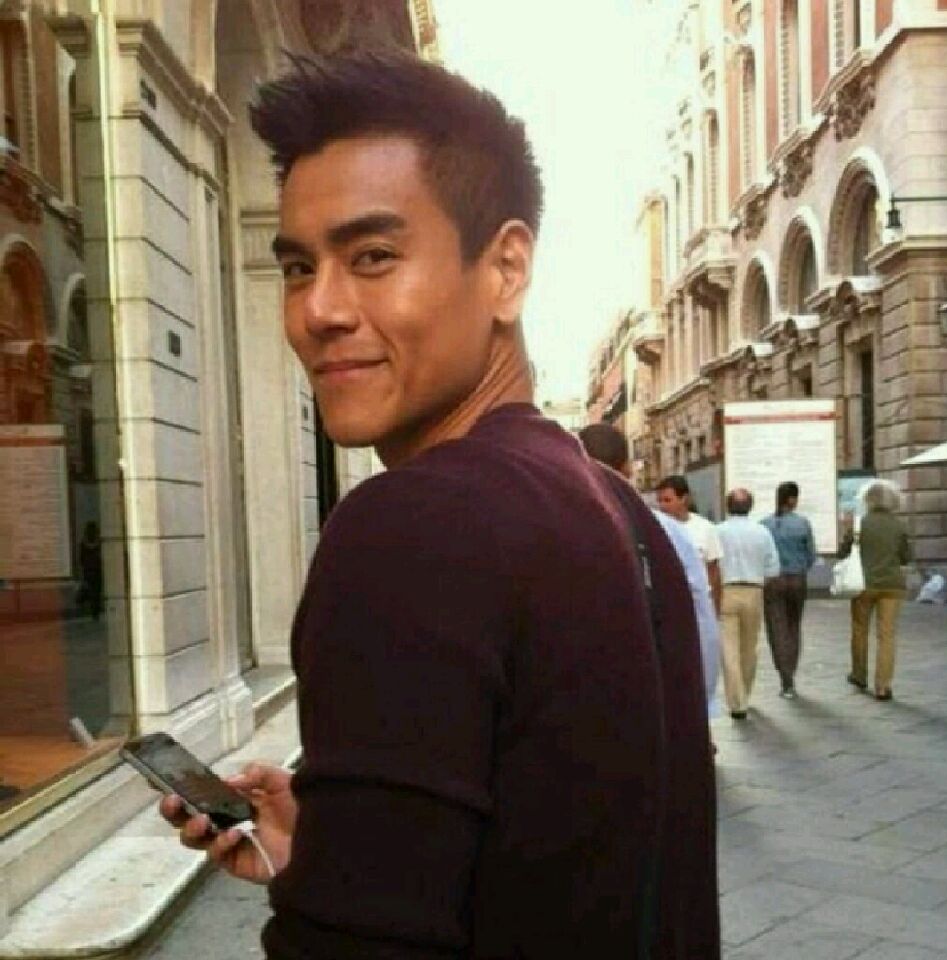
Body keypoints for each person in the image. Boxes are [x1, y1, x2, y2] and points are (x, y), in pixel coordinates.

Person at [162, 50, 719, 959]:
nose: (319, 310)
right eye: (298, 267)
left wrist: (340, 904)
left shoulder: (412, 525)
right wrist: (340, 851)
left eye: (373, 257)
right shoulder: (618, 511)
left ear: (505, 269)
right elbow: (581, 848)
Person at [578, 423, 721, 719]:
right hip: (651, 689)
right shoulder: (667, 531)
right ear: (628, 469)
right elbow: (698, 608)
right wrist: (701, 698)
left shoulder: (552, 525)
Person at [840, 479, 911, 701]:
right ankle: (883, 686)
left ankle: (859, 675)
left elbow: (843, 552)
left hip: (863, 585)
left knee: (859, 629)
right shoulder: (899, 525)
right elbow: (906, 557)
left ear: (867, 500)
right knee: (886, 635)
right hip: (892, 586)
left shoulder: (859, 524)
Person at [716, 490, 781, 718]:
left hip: (726, 590)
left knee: (729, 648)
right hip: (754, 590)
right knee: (749, 647)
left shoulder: (718, 531)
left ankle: (737, 702)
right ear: (750, 506)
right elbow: (773, 568)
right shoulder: (762, 532)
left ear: (727, 506)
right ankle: (745, 691)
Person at [761, 481, 816, 698]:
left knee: (777, 628)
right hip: (797, 579)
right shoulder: (802, 523)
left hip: (773, 581)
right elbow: (811, 555)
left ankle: (785, 677)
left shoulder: (765, 524)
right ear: (792, 499)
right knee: (794, 626)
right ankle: (791, 669)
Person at [655, 474, 724, 616]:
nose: (662, 506)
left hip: (698, 605)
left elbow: (713, 571)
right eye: (659, 501)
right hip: (667, 604)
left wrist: (715, 610)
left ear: (684, 499)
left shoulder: (705, 528)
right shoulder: (655, 529)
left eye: (667, 500)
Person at [78, 521, 103, 621]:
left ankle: (92, 609)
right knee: (97, 592)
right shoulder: (99, 543)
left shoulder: (83, 544)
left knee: (90, 590)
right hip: (97, 570)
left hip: (88, 571)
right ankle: (95, 612)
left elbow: (81, 559)